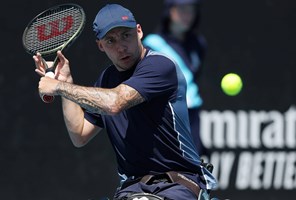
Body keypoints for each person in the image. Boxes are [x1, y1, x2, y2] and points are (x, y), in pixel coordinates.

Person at [34, 3, 217, 200]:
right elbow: (79, 134)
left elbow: (115, 103)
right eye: (110, 40)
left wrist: (59, 88)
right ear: (100, 45)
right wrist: (66, 85)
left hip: (179, 183)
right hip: (132, 188)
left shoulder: (159, 66)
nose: (121, 46)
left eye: (126, 35)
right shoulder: (106, 80)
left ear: (139, 31)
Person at [143, 0, 207, 156]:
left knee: (194, 171)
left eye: (191, 10)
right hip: (167, 119)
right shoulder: (152, 45)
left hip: (193, 117)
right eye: (182, 9)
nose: (188, 15)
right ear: (170, 11)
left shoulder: (198, 44)